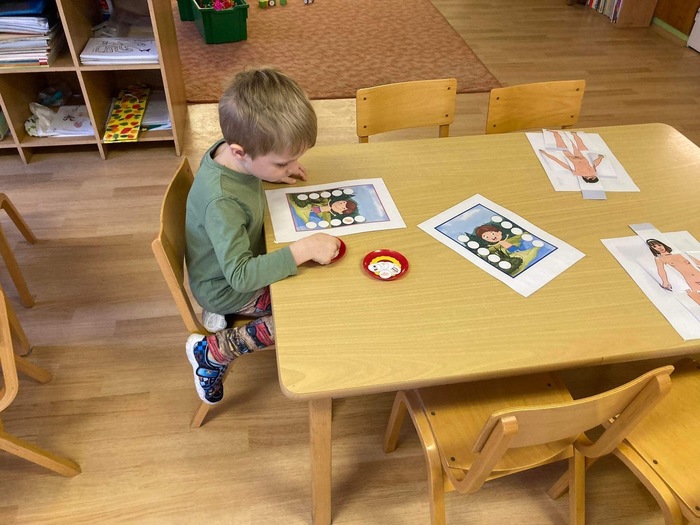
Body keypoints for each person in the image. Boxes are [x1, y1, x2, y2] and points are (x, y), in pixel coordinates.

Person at [184, 67, 340, 404]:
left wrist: (275, 172)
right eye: (283, 162)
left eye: (294, 159)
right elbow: (241, 276)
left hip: (232, 261)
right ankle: (213, 352)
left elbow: (250, 174)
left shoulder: (230, 153)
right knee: (307, 314)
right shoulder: (222, 202)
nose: (291, 167)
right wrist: (302, 250)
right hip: (227, 286)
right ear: (241, 152)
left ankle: (220, 323)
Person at [646, 238, 700, 307]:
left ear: (663, 245)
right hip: (688, 280)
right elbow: (661, 270)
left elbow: (697, 262)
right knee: (693, 294)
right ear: (652, 249)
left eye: (659, 245)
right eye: (654, 247)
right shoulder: (659, 259)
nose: (659, 247)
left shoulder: (680, 254)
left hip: (698, 274)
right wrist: (665, 282)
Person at [539, 130, 604, 183]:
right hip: (580, 156)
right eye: (594, 177)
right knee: (577, 145)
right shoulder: (593, 172)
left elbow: (561, 163)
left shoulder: (577, 172)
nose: (591, 175)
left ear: (585, 178)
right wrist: (600, 157)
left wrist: (546, 154)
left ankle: (556, 133)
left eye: (591, 178)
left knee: (561, 145)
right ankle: (574, 134)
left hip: (570, 157)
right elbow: (595, 164)